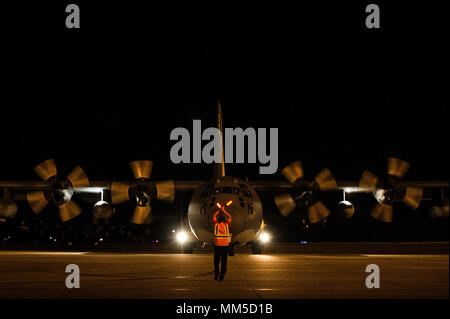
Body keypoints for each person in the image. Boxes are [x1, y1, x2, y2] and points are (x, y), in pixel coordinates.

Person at [213, 209, 231, 281]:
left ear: (218, 219)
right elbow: (230, 217)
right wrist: (224, 210)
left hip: (217, 246)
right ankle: (222, 275)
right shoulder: (227, 225)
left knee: (216, 261)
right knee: (224, 261)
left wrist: (218, 210)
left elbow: (214, 216)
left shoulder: (216, 225)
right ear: (225, 220)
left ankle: (216, 275)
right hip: (225, 246)